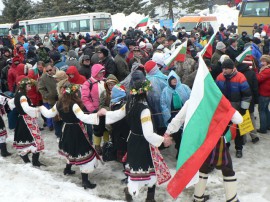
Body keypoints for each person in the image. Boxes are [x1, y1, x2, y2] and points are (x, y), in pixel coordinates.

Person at [100, 70, 172, 201]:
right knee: (145, 170)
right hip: (143, 143)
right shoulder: (144, 109)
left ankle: (143, 196)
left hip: (132, 140)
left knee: (138, 171)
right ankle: (133, 194)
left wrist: (106, 113)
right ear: (145, 91)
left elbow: (116, 115)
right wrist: (163, 140)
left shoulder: (129, 104)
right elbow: (148, 134)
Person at [165, 100, 243, 202]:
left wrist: (168, 132)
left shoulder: (192, 101)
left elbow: (178, 119)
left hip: (200, 143)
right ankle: (232, 199)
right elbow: (239, 119)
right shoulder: (218, 100)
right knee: (227, 169)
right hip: (216, 141)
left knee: (203, 168)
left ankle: (198, 198)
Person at [39, 83, 101, 188]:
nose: (78, 93)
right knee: (82, 152)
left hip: (66, 129)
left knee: (70, 150)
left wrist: (41, 108)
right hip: (76, 131)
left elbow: (49, 114)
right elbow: (83, 117)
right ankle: (85, 181)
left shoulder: (58, 103)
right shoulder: (74, 104)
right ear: (74, 93)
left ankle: (67, 169)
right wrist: (97, 116)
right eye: (77, 91)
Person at [216, 59, 252, 158]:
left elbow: (247, 95)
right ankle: (225, 146)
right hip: (224, 110)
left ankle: (239, 148)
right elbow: (216, 93)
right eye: (223, 68)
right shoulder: (220, 77)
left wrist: (243, 109)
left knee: (239, 130)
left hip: (237, 109)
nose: (224, 71)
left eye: (226, 69)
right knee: (223, 129)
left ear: (232, 69)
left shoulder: (240, 77)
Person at [11, 78, 44, 166]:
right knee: (36, 140)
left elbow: (11, 104)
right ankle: (32, 160)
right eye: (28, 85)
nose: (30, 87)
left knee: (29, 140)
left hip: (22, 119)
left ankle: (30, 161)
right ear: (24, 86)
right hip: (27, 120)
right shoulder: (22, 96)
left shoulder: (18, 94)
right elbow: (26, 108)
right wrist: (36, 110)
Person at [160, 70, 191, 157]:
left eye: (175, 79)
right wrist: (168, 117)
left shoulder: (184, 87)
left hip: (184, 114)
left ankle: (186, 151)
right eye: (172, 79)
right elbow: (163, 104)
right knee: (177, 134)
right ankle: (179, 150)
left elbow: (191, 98)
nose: (174, 81)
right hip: (173, 115)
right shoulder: (165, 91)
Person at [256, 55, 270, 133]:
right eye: (261, 61)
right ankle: (268, 125)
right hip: (267, 93)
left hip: (264, 93)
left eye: (263, 61)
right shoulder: (266, 69)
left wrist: (256, 73)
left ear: (267, 62)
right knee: (266, 109)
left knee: (261, 110)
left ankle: (263, 128)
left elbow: (259, 79)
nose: (262, 63)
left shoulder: (266, 70)